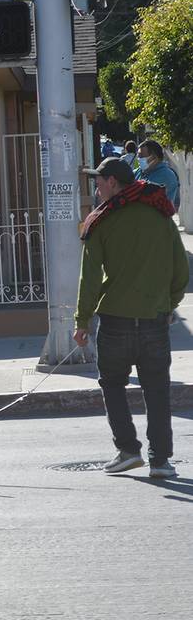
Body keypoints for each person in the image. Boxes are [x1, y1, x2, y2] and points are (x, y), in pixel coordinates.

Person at [73, 157, 187, 479]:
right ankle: (161, 461)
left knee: (111, 385)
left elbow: (90, 279)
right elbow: (181, 271)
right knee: (157, 391)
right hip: (154, 320)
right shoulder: (160, 215)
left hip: (115, 323)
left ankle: (127, 450)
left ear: (113, 182)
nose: (96, 187)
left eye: (99, 180)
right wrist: (168, 304)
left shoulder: (101, 222)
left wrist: (81, 322)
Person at [136, 139, 181, 209]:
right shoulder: (138, 172)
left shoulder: (166, 175)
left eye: (142, 156)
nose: (139, 159)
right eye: (138, 156)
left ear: (154, 157)